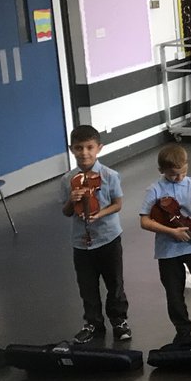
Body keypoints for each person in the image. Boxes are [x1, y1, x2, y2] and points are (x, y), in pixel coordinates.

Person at [139, 144, 191, 343]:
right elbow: (144, 221)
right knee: (174, 293)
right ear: (162, 171)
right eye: (173, 175)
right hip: (168, 250)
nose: (179, 178)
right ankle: (183, 331)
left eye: (183, 173)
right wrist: (171, 232)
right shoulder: (154, 189)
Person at [61, 125, 130, 343]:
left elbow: (118, 204)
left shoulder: (110, 175)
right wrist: (72, 200)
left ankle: (119, 320)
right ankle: (93, 322)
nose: (84, 153)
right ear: (72, 149)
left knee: (115, 283)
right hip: (81, 244)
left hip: (108, 239)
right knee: (87, 287)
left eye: (89, 147)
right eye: (79, 148)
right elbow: (66, 212)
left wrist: (99, 214)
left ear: (98, 148)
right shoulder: (67, 180)